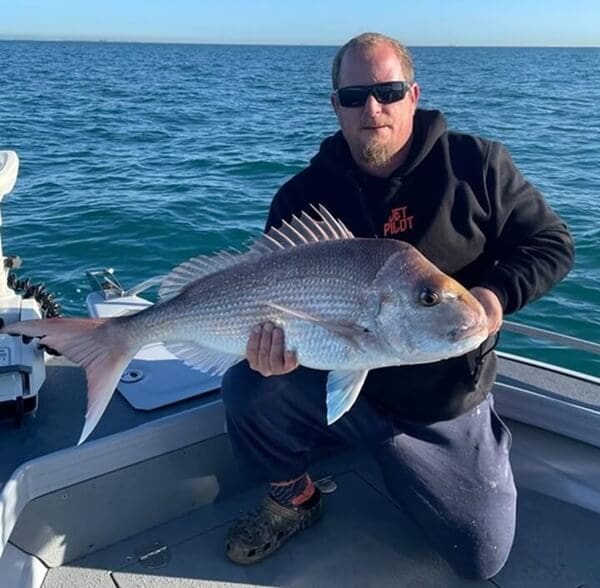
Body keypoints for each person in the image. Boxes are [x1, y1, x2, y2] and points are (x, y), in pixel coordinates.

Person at [221, 32, 574, 579]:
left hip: (439, 400)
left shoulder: (476, 166)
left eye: (387, 90)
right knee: (249, 385)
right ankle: (294, 495)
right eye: (354, 95)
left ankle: (470, 445)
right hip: (339, 377)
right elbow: (263, 295)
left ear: (414, 94)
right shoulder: (301, 197)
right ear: (335, 105)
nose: (373, 108)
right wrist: (269, 353)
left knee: (480, 556)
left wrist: (493, 295)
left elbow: (551, 244)